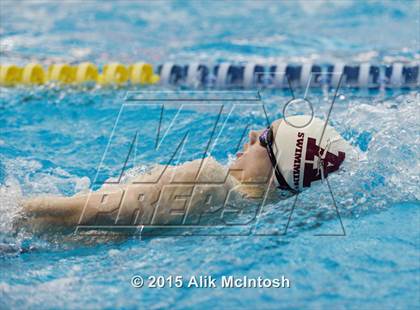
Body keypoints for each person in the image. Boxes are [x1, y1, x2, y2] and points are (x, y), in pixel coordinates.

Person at [20, 115, 350, 232]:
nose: (251, 135)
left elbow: (81, 212)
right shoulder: (258, 212)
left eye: (264, 138)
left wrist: (15, 208)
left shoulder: (204, 181)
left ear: (279, 169)